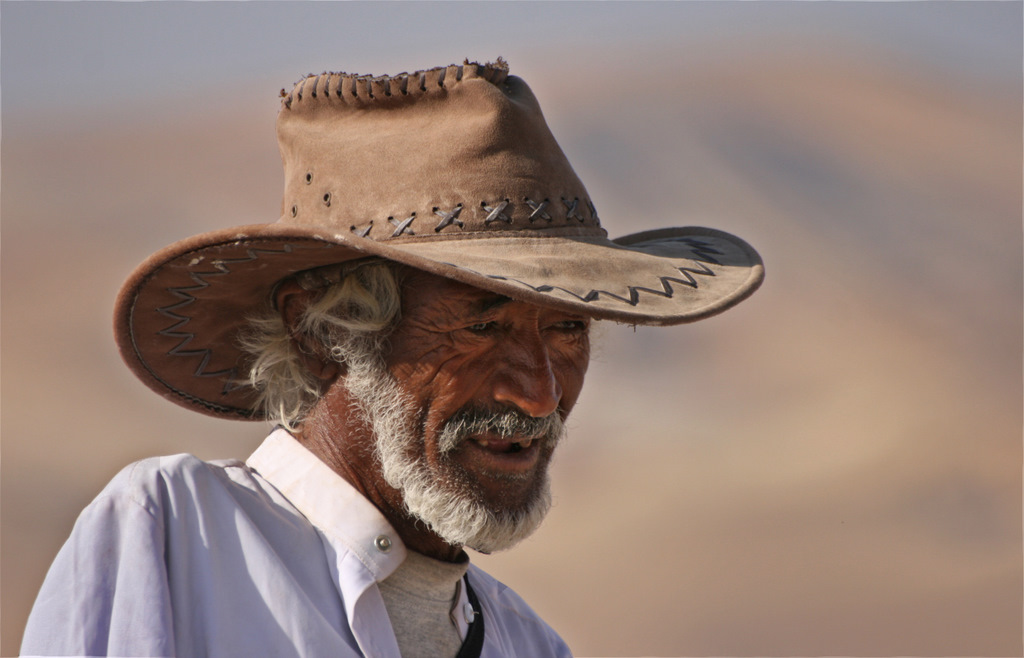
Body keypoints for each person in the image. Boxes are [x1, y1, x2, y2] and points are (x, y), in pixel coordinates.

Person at [21, 60, 763, 658]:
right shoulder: (176, 538)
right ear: (321, 333)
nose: (539, 395)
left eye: (567, 330)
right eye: (482, 327)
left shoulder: (528, 645)